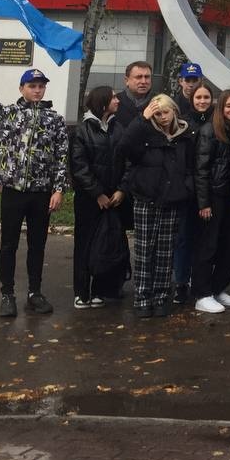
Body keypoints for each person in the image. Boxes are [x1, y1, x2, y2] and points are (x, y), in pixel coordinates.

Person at [0, 45, 68, 317]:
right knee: (8, 244)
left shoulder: (54, 120)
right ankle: (7, 293)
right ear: (22, 88)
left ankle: (34, 292)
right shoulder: (8, 114)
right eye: (32, 85)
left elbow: (61, 155)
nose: (37, 90)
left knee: (37, 245)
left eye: (41, 86)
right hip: (13, 191)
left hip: (41, 193)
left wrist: (58, 189)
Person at [118, 94, 195, 318]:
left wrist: (186, 188)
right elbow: (125, 146)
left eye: (165, 112)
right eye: (157, 113)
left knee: (165, 251)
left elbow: (190, 167)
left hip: (173, 199)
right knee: (144, 250)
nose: (162, 117)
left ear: (174, 112)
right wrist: (142, 119)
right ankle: (143, 296)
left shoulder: (184, 135)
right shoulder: (145, 132)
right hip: (146, 198)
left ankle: (161, 295)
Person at [69, 85, 127, 309]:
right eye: (113, 98)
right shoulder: (83, 131)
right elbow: (79, 167)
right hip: (89, 200)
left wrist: (121, 189)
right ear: (102, 101)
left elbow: (127, 161)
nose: (117, 101)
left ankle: (101, 289)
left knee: (108, 242)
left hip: (114, 198)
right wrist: (98, 194)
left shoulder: (117, 128)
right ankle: (82, 292)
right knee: (85, 244)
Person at [192, 89, 230, 314]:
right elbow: (201, 169)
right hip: (214, 197)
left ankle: (218, 288)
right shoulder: (209, 131)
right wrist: (203, 203)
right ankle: (202, 294)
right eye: (228, 106)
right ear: (220, 107)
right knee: (208, 246)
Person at [173, 81, 213, 305]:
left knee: (204, 240)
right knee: (183, 239)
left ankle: (201, 281)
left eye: (206, 97)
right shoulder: (183, 124)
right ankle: (180, 281)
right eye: (198, 98)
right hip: (188, 190)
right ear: (192, 100)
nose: (202, 101)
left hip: (208, 189)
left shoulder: (216, 122)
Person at [113, 60, 154, 133]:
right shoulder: (114, 102)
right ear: (126, 81)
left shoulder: (159, 102)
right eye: (139, 77)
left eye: (147, 77)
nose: (143, 81)